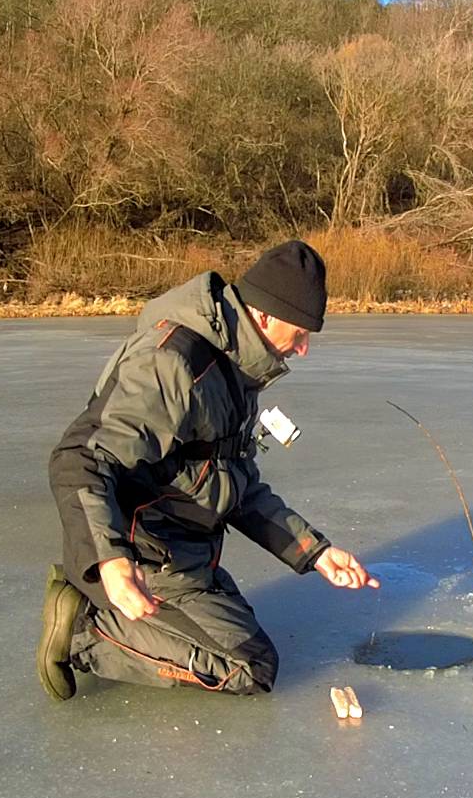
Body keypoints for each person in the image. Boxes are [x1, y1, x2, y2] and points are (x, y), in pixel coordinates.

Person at [36, 240, 377, 701]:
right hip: (146, 558)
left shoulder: (237, 367)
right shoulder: (172, 365)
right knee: (249, 668)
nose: (304, 349)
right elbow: (81, 458)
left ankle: (151, 613)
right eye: (300, 333)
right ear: (263, 316)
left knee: (241, 632)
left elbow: (236, 485)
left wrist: (314, 552)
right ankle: (86, 629)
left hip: (189, 555)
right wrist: (111, 562)